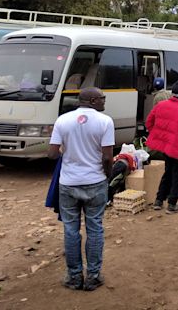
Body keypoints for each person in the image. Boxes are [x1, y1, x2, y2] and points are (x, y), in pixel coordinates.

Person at [47, 87, 114, 291]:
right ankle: (93, 276)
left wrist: (69, 154)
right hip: (95, 182)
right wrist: (107, 176)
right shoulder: (105, 122)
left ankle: (74, 277)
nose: (104, 102)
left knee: (70, 230)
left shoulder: (63, 120)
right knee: (94, 228)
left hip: (68, 183)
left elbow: (52, 154)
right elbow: (107, 157)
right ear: (93, 100)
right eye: (102, 98)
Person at [146, 81, 178, 214]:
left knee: (167, 172)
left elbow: (149, 122)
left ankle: (158, 201)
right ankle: (172, 204)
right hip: (177, 147)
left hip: (166, 147)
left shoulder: (160, 105)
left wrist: (158, 135)